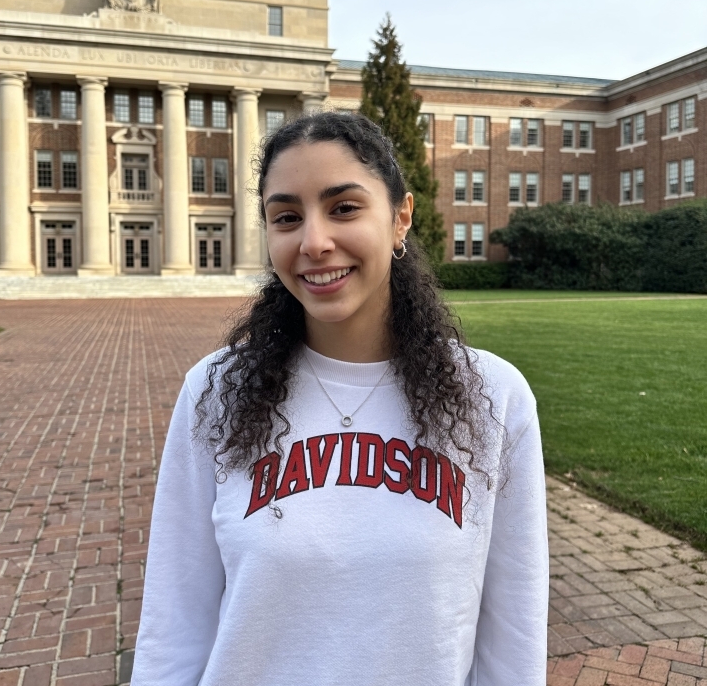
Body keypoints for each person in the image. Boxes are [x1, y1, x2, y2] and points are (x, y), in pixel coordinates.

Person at [131, 111, 548, 686]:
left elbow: (514, 637)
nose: (314, 242)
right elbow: (175, 622)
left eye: (344, 208)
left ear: (401, 217)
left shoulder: (491, 398)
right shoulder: (216, 390)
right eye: (286, 217)